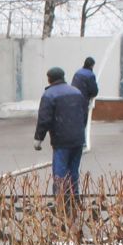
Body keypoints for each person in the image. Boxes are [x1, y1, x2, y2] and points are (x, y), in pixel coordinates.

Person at [34, 66, 90, 197]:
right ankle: (74, 197)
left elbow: (44, 119)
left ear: (49, 79)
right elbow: (84, 114)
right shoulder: (76, 92)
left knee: (60, 172)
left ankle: (61, 201)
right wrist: (79, 129)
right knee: (73, 171)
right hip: (78, 140)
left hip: (61, 141)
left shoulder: (49, 95)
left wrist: (38, 139)